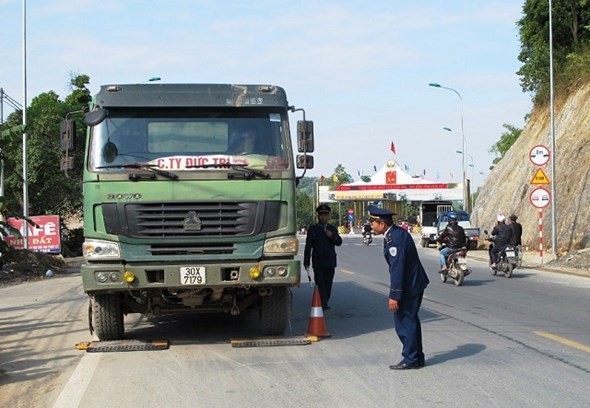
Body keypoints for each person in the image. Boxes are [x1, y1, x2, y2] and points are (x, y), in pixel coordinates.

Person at [368, 205, 429, 370]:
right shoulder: (393, 235)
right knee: (411, 321)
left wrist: (394, 295)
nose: (371, 226)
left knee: (404, 322)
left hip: (409, 286)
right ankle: (416, 357)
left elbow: (398, 269)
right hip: (412, 284)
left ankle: (410, 359)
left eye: (373, 223)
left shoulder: (395, 239)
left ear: (383, 224)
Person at [303, 204, 343, 311]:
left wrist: (332, 236)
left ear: (328, 216)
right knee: (320, 283)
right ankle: (323, 303)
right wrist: (306, 260)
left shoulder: (332, 229)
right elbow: (308, 246)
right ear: (318, 216)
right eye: (321, 215)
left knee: (328, 283)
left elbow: (339, 242)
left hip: (330, 261)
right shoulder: (313, 229)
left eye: (325, 215)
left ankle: (325, 300)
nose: (323, 217)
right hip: (318, 261)